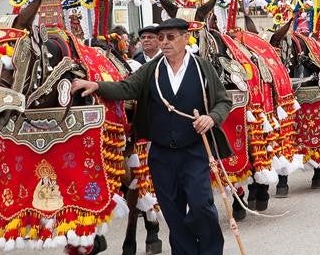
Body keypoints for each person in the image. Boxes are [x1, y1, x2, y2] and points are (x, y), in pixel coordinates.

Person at [71, 18, 233, 255]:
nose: (164, 42)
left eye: (171, 37)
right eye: (161, 38)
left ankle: (209, 251)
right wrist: (96, 85)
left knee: (201, 207)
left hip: (195, 151)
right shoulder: (152, 69)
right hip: (161, 154)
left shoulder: (201, 67)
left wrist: (212, 118)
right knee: (172, 213)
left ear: (185, 38)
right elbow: (127, 88)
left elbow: (223, 101)